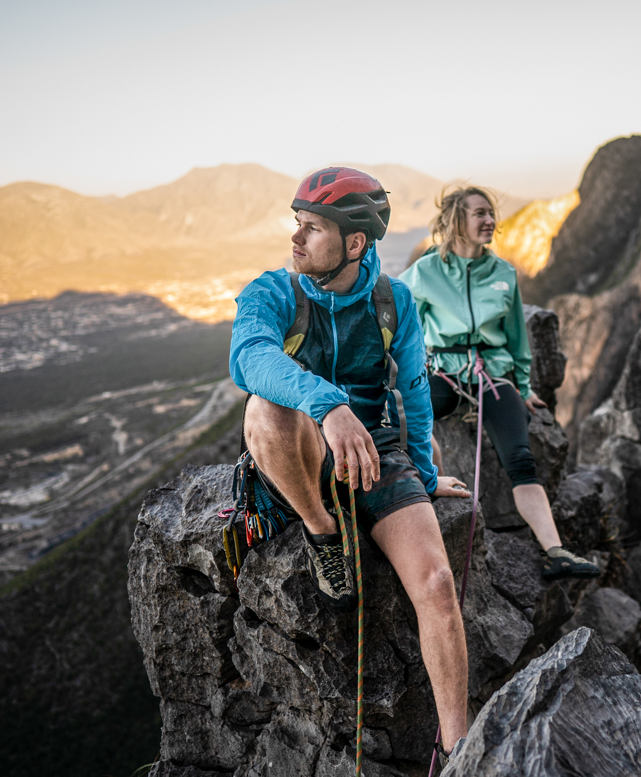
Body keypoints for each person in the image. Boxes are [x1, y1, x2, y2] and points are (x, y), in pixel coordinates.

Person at [229, 167, 470, 758]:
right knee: (267, 407)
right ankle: (321, 530)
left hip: (376, 451)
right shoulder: (274, 291)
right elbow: (248, 358)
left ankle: (460, 749)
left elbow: (412, 390)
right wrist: (329, 405)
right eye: (298, 224)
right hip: (302, 443)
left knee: (437, 585)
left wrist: (426, 477)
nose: (296, 238)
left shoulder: (393, 302)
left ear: (355, 243)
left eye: (311, 228)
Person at [399, 186, 601, 581]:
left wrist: (522, 389)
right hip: (443, 369)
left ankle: (556, 551)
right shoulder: (425, 272)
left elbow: (517, 341)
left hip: (491, 374)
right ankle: (419, 503)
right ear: (457, 220)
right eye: (480, 214)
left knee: (521, 458)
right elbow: (397, 313)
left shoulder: (503, 274)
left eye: (491, 214)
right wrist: (415, 366)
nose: (490, 220)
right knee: (409, 419)